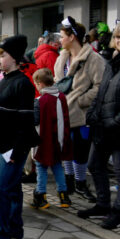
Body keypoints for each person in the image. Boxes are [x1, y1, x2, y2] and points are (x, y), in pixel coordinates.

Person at [0, 35, 38, 239]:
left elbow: (26, 121)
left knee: (1, 189)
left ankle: (2, 235)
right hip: (4, 144)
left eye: (3, 55)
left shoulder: (23, 83)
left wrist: (17, 151)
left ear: (15, 58)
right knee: (13, 188)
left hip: (14, 146)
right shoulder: (6, 79)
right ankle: (15, 229)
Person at [80, 20, 120, 229]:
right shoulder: (112, 61)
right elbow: (101, 91)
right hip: (103, 125)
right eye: (118, 37)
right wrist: (92, 113)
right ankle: (103, 204)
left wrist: (116, 121)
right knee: (94, 165)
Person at [54, 16, 105, 201]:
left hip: (81, 113)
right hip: (62, 111)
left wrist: (83, 100)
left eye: (62, 36)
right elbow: (58, 82)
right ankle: (68, 181)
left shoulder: (94, 59)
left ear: (72, 37)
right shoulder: (62, 58)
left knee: (80, 151)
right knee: (65, 148)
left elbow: (100, 86)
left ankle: (81, 182)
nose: (60, 40)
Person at [31, 68, 73, 209]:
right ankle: (63, 195)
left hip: (42, 142)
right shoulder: (61, 97)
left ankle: (41, 195)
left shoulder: (39, 101)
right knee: (57, 167)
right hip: (58, 141)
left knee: (41, 168)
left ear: (40, 83)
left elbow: (35, 121)